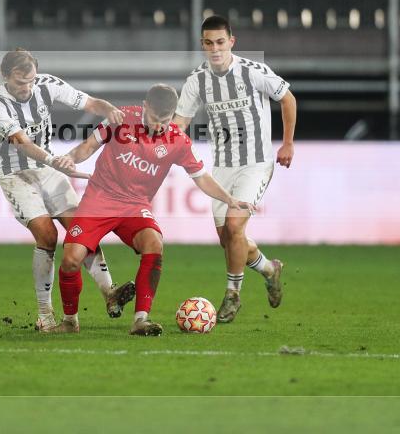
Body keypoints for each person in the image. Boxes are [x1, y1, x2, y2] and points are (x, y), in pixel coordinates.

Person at [42, 84, 255, 336]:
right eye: (155, 119)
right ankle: (69, 322)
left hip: (135, 205)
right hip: (99, 199)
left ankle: (140, 320)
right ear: (145, 106)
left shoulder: (178, 141)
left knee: (154, 244)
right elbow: (87, 146)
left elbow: (201, 177)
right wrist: (70, 157)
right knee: (70, 261)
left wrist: (229, 199)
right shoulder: (120, 118)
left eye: (165, 121)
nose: (159, 126)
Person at [0, 49, 136, 330]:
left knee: (81, 229)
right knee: (48, 234)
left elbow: (89, 103)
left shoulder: (47, 85)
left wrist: (111, 110)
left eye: (30, 81)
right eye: (19, 83)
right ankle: (45, 315)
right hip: (15, 174)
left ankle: (110, 293)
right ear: (5, 76)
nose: (26, 89)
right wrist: (56, 161)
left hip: (48, 170)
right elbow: (21, 142)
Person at [172, 15, 297, 323]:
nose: (215, 49)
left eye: (220, 42)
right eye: (208, 43)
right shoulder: (196, 81)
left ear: (231, 41)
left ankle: (232, 295)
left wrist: (288, 144)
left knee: (234, 227)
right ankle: (270, 269)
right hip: (222, 169)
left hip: (255, 164)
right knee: (230, 240)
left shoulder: (253, 72)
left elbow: (288, 98)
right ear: (202, 44)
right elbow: (180, 125)